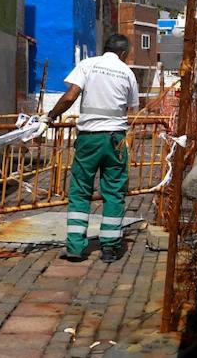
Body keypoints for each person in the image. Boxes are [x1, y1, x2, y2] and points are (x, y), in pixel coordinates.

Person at [45, 33, 141, 263]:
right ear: (124, 53)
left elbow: (69, 97)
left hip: (88, 138)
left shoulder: (88, 64)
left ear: (104, 47)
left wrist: (49, 117)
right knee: (114, 192)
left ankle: (76, 247)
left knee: (80, 190)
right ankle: (109, 248)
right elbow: (132, 107)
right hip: (115, 140)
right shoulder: (127, 72)